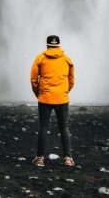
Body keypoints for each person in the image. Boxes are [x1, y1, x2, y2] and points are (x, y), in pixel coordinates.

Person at [30, 34, 75, 167]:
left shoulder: (40, 58)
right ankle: (68, 158)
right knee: (64, 127)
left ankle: (40, 158)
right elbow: (71, 80)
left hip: (45, 98)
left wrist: (39, 94)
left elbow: (33, 79)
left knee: (43, 127)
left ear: (47, 45)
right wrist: (64, 92)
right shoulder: (67, 59)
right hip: (62, 98)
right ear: (59, 45)